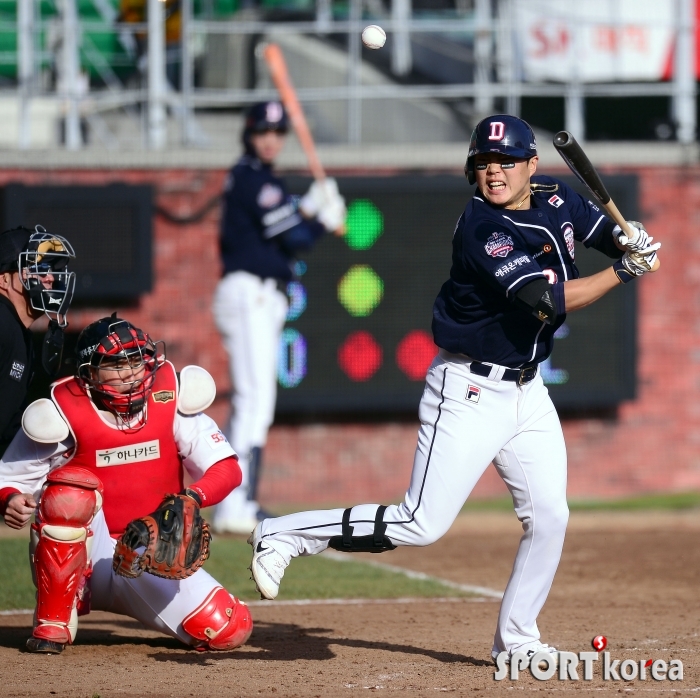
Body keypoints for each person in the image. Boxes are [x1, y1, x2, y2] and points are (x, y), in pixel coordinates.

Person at [247, 115, 660, 665]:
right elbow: (547, 300)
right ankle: (283, 533)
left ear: (531, 166)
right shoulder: (483, 229)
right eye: (485, 164)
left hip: (528, 391)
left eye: (506, 162)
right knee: (421, 523)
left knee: (551, 517)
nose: (495, 173)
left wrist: (629, 237)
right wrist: (625, 273)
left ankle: (518, 643)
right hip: (468, 388)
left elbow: (602, 233)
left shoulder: (556, 197)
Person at [0, 314, 253, 654]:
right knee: (69, 494)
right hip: (87, 552)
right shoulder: (63, 409)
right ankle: (53, 621)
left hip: (148, 552)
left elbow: (226, 468)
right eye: (116, 364)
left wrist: (191, 497)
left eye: (136, 359)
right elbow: (8, 477)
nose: (132, 373)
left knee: (228, 627)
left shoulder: (169, 398)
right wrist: (9, 499)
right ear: (89, 373)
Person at [212, 100, 346, 534]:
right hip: (250, 291)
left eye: (277, 132)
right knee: (255, 402)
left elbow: (283, 229)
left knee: (251, 404)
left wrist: (308, 209)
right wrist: (324, 219)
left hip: (258, 294)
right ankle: (239, 505)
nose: (270, 139)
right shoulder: (254, 180)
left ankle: (235, 501)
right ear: (249, 134)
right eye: (262, 131)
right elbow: (297, 240)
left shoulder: (259, 180)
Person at [0, 226, 75, 457]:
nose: (50, 278)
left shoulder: (20, 332)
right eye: (39, 270)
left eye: (51, 269)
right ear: (4, 279)